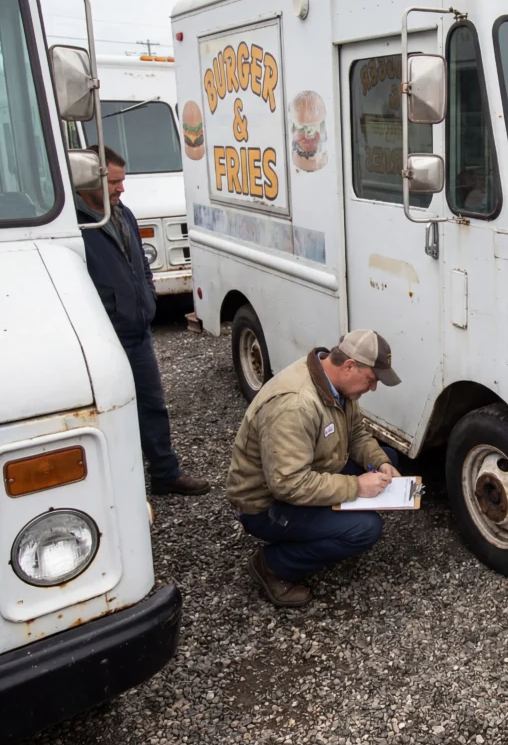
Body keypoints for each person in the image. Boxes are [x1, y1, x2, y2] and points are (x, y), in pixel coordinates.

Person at [226, 330, 403, 607]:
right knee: (365, 529)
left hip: (309, 472)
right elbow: (288, 484)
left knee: (389, 457)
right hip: (267, 505)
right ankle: (272, 565)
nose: (373, 389)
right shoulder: (294, 405)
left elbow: (355, 433)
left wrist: (380, 462)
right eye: (371, 380)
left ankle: (330, 526)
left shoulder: (338, 387)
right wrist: (357, 487)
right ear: (349, 366)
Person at [75, 145, 210, 496]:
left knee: (152, 406)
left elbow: (141, 266)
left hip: (138, 332)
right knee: (108, 413)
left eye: (122, 180)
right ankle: (117, 488)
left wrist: (148, 295)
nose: (121, 188)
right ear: (90, 179)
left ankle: (165, 474)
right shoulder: (76, 225)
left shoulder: (125, 214)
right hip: (104, 339)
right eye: (115, 182)